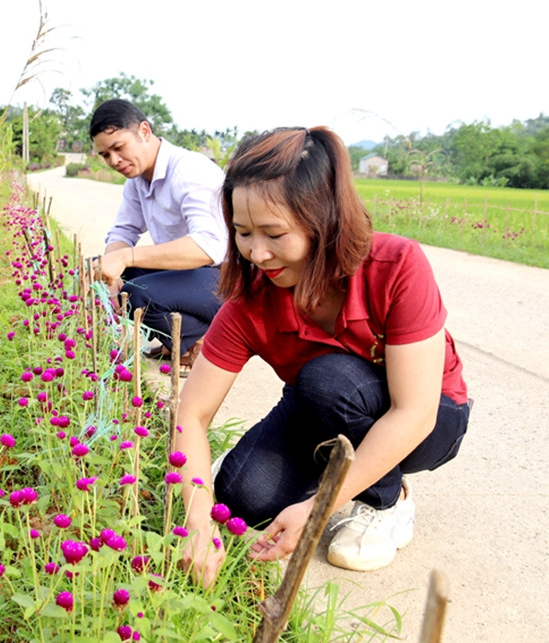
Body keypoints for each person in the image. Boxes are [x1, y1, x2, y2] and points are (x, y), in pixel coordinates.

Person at [174, 127, 470, 586]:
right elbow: (191, 414)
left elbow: (415, 413)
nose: (257, 253)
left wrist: (317, 509)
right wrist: (196, 523)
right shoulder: (249, 300)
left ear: (324, 219)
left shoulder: (396, 266)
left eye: (274, 233)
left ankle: (385, 502)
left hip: (430, 417)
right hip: (321, 409)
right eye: (243, 233)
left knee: (330, 380)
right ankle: (330, 470)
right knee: (236, 501)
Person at [90, 99, 227, 372]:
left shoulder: (190, 171)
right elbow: (123, 231)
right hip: (189, 274)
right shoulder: (137, 180)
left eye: (118, 148)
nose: (114, 161)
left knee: (137, 297)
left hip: (225, 278)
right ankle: (179, 338)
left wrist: (126, 256)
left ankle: (201, 339)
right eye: (105, 155)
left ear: (144, 131)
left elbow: (209, 246)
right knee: (113, 275)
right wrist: (111, 273)